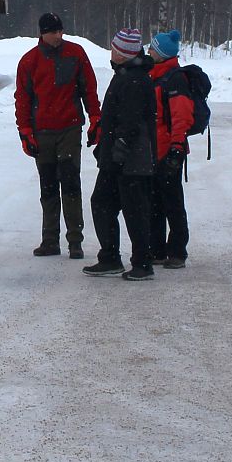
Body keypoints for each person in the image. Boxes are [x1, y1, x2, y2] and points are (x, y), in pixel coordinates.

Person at [14, 12, 101, 259]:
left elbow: (89, 88)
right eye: (53, 32)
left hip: (69, 128)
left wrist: (95, 117)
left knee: (71, 183)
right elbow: (22, 98)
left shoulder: (76, 54)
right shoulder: (29, 61)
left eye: (60, 31)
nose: (58, 36)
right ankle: (50, 240)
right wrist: (25, 131)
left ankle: (75, 240)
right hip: (42, 132)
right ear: (42, 33)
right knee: (49, 186)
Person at [84, 27, 159, 281]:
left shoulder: (134, 79)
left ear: (123, 53)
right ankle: (110, 258)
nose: (111, 51)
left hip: (131, 160)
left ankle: (141, 263)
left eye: (115, 48)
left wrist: (119, 148)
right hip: (120, 157)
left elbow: (130, 121)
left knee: (133, 210)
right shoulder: (126, 75)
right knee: (103, 203)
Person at [146, 30, 192, 269]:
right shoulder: (155, 75)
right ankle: (157, 250)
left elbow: (181, 116)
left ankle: (177, 251)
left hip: (169, 149)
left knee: (172, 202)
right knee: (154, 202)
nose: (148, 51)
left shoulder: (174, 79)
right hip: (154, 149)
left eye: (152, 48)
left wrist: (176, 146)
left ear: (162, 53)